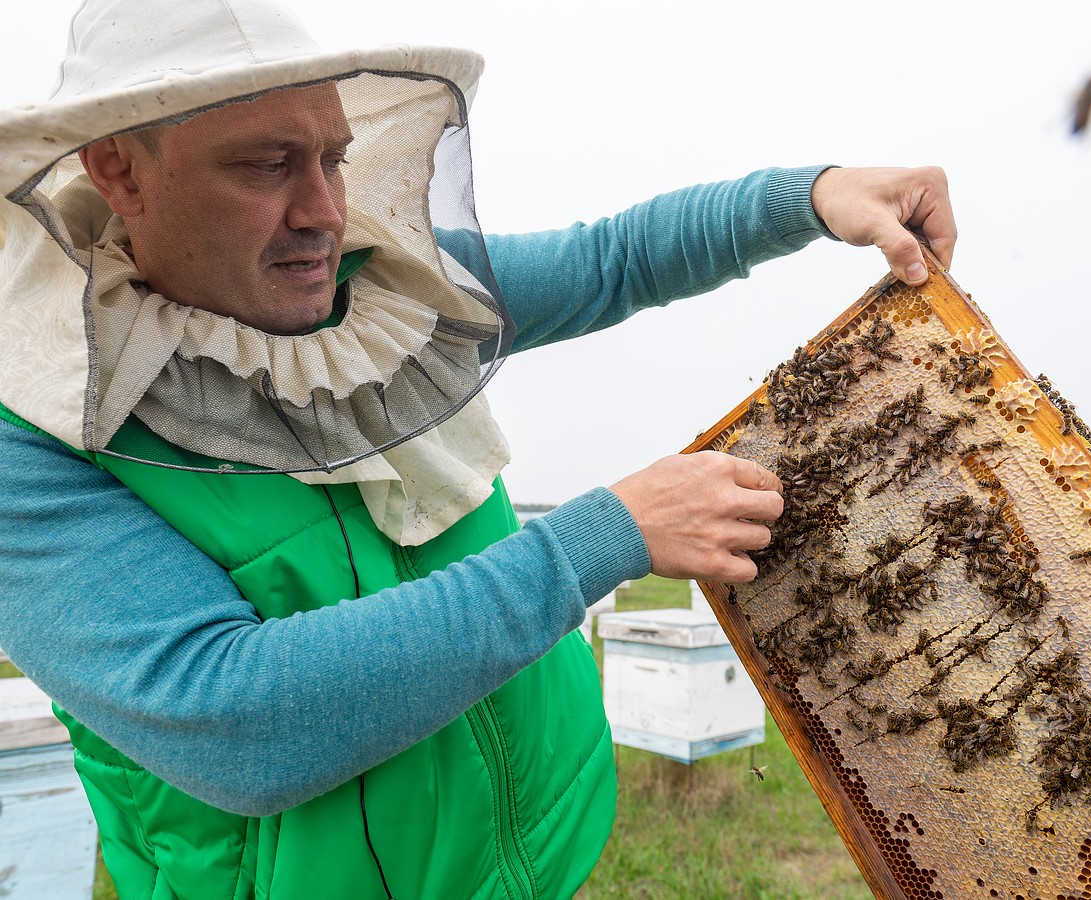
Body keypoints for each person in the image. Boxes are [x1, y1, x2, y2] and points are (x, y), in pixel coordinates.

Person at [0, 1, 956, 897]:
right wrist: (602, 538)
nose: (323, 211)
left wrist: (810, 194)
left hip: (543, 851)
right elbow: (236, 724)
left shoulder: (390, 297)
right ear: (118, 168)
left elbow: (608, 261)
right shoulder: (33, 431)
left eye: (332, 159)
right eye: (265, 165)